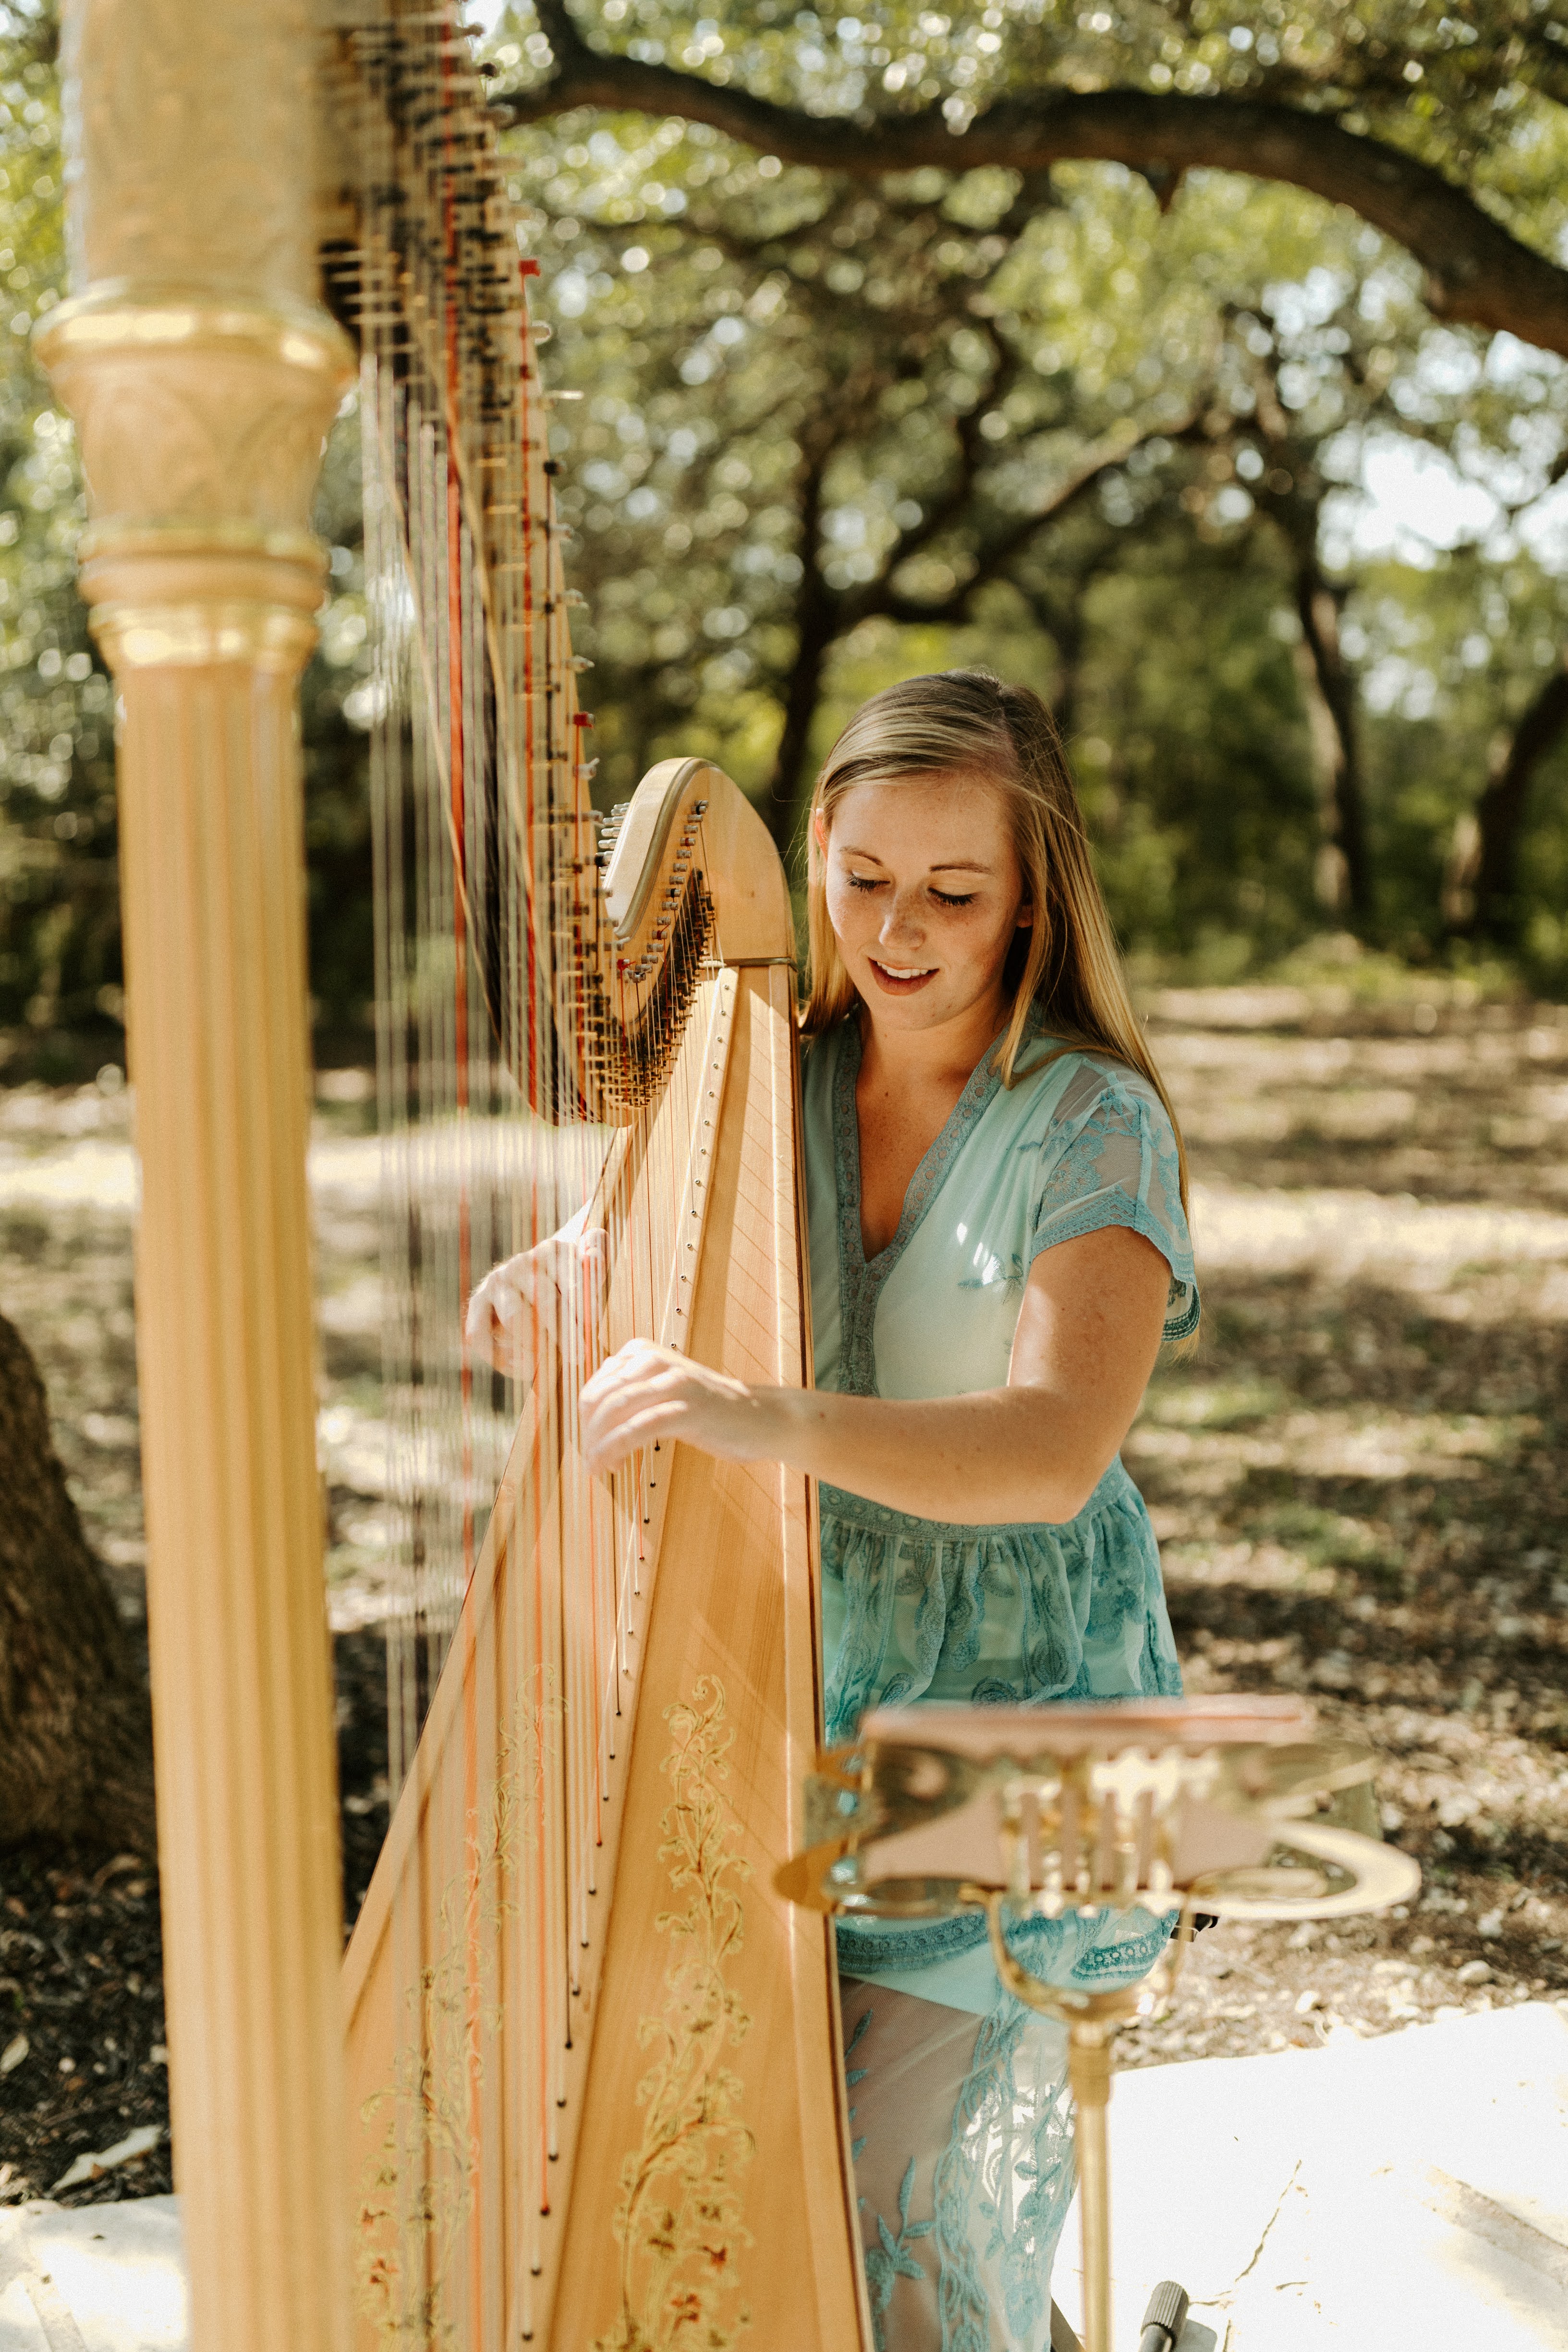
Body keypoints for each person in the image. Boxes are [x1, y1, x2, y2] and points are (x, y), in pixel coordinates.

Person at [467, 669, 1197, 2352]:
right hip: (785, 1694)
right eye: (864, 877)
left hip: (1023, 1724)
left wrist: (758, 1416)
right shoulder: (752, 1085)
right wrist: (544, 1295)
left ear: (1034, 897)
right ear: (813, 855)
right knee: (724, 2155)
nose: (898, 927)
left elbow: (1052, 1450)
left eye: (955, 890)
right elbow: (622, 1277)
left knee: (858, 2190)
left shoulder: (1092, 1123)